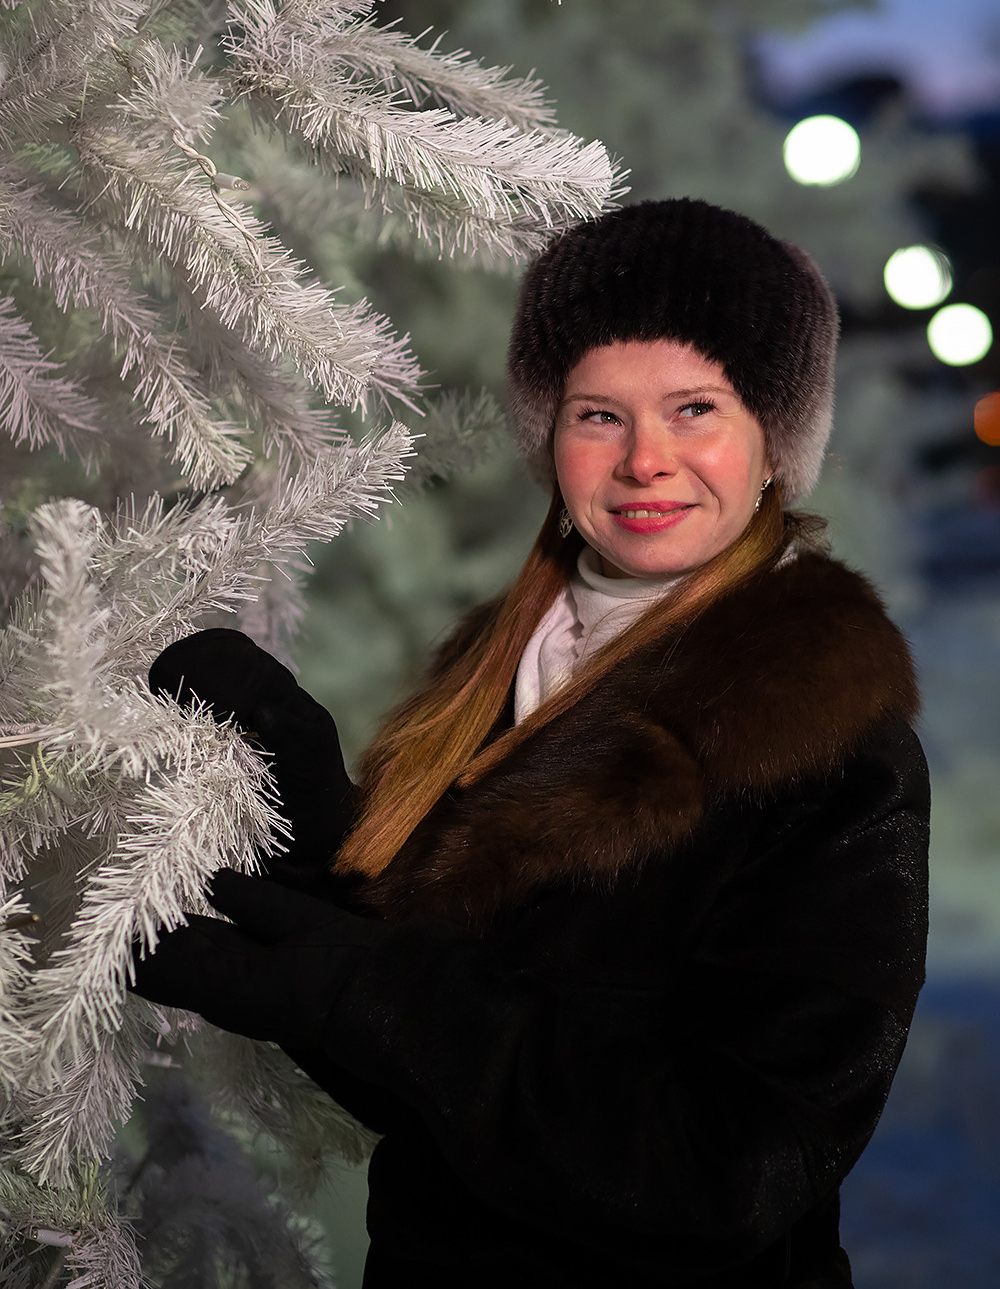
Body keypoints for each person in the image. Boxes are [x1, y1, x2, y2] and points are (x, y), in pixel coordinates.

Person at [131, 198, 930, 1289]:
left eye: (694, 408)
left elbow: (724, 1179)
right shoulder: (508, 677)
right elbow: (436, 1079)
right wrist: (310, 830)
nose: (646, 459)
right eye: (599, 414)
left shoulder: (831, 754)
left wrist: (368, 990)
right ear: (548, 434)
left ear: (775, 441)